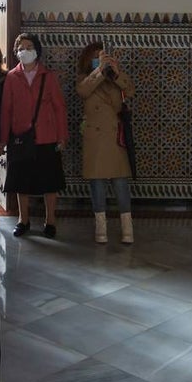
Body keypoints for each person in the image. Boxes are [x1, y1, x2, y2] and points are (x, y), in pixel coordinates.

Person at [0, 33, 67, 239]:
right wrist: (3, 139)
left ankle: (50, 221)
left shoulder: (48, 76)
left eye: (29, 47)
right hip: (20, 137)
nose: (24, 50)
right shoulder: (12, 76)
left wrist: (62, 136)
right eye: (21, 47)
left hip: (46, 137)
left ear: (37, 50)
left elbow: (59, 108)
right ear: (16, 51)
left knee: (50, 182)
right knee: (21, 181)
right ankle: (23, 220)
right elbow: (6, 109)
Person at [76, 42, 136, 244]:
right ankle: (100, 228)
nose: (98, 59)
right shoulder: (85, 78)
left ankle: (127, 228)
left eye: (102, 56)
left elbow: (130, 91)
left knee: (120, 182)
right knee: (97, 183)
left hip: (114, 137)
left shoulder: (115, 79)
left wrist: (115, 72)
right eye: (95, 57)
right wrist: (99, 70)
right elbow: (83, 91)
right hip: (94, 138)